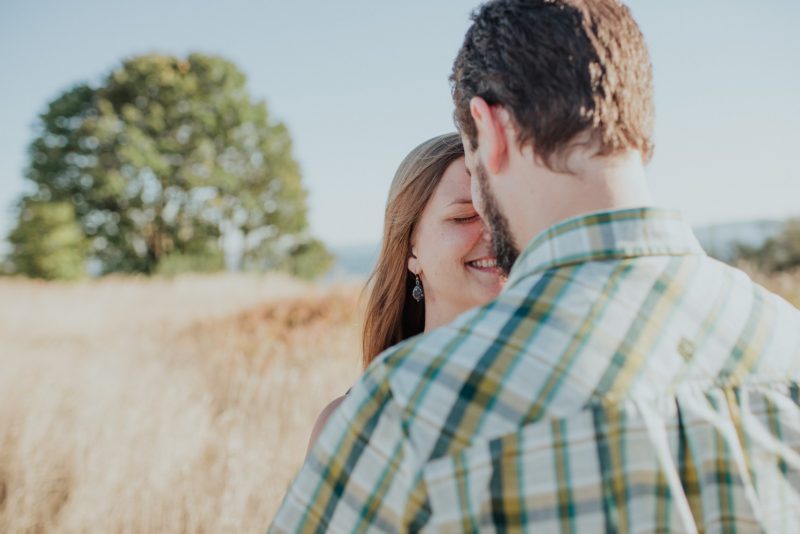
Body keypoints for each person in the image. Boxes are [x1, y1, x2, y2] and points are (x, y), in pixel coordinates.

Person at [270, 1, 800, 532]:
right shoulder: (786, 343)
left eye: (474, 165)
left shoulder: (411, 414)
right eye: (460, 215)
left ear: (490, 129)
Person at [305, 133, 504, 454]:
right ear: (411, 251)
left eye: (503, 215)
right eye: (464, 216)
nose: (495, 233)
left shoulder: (564, 392)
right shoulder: (352, 425)